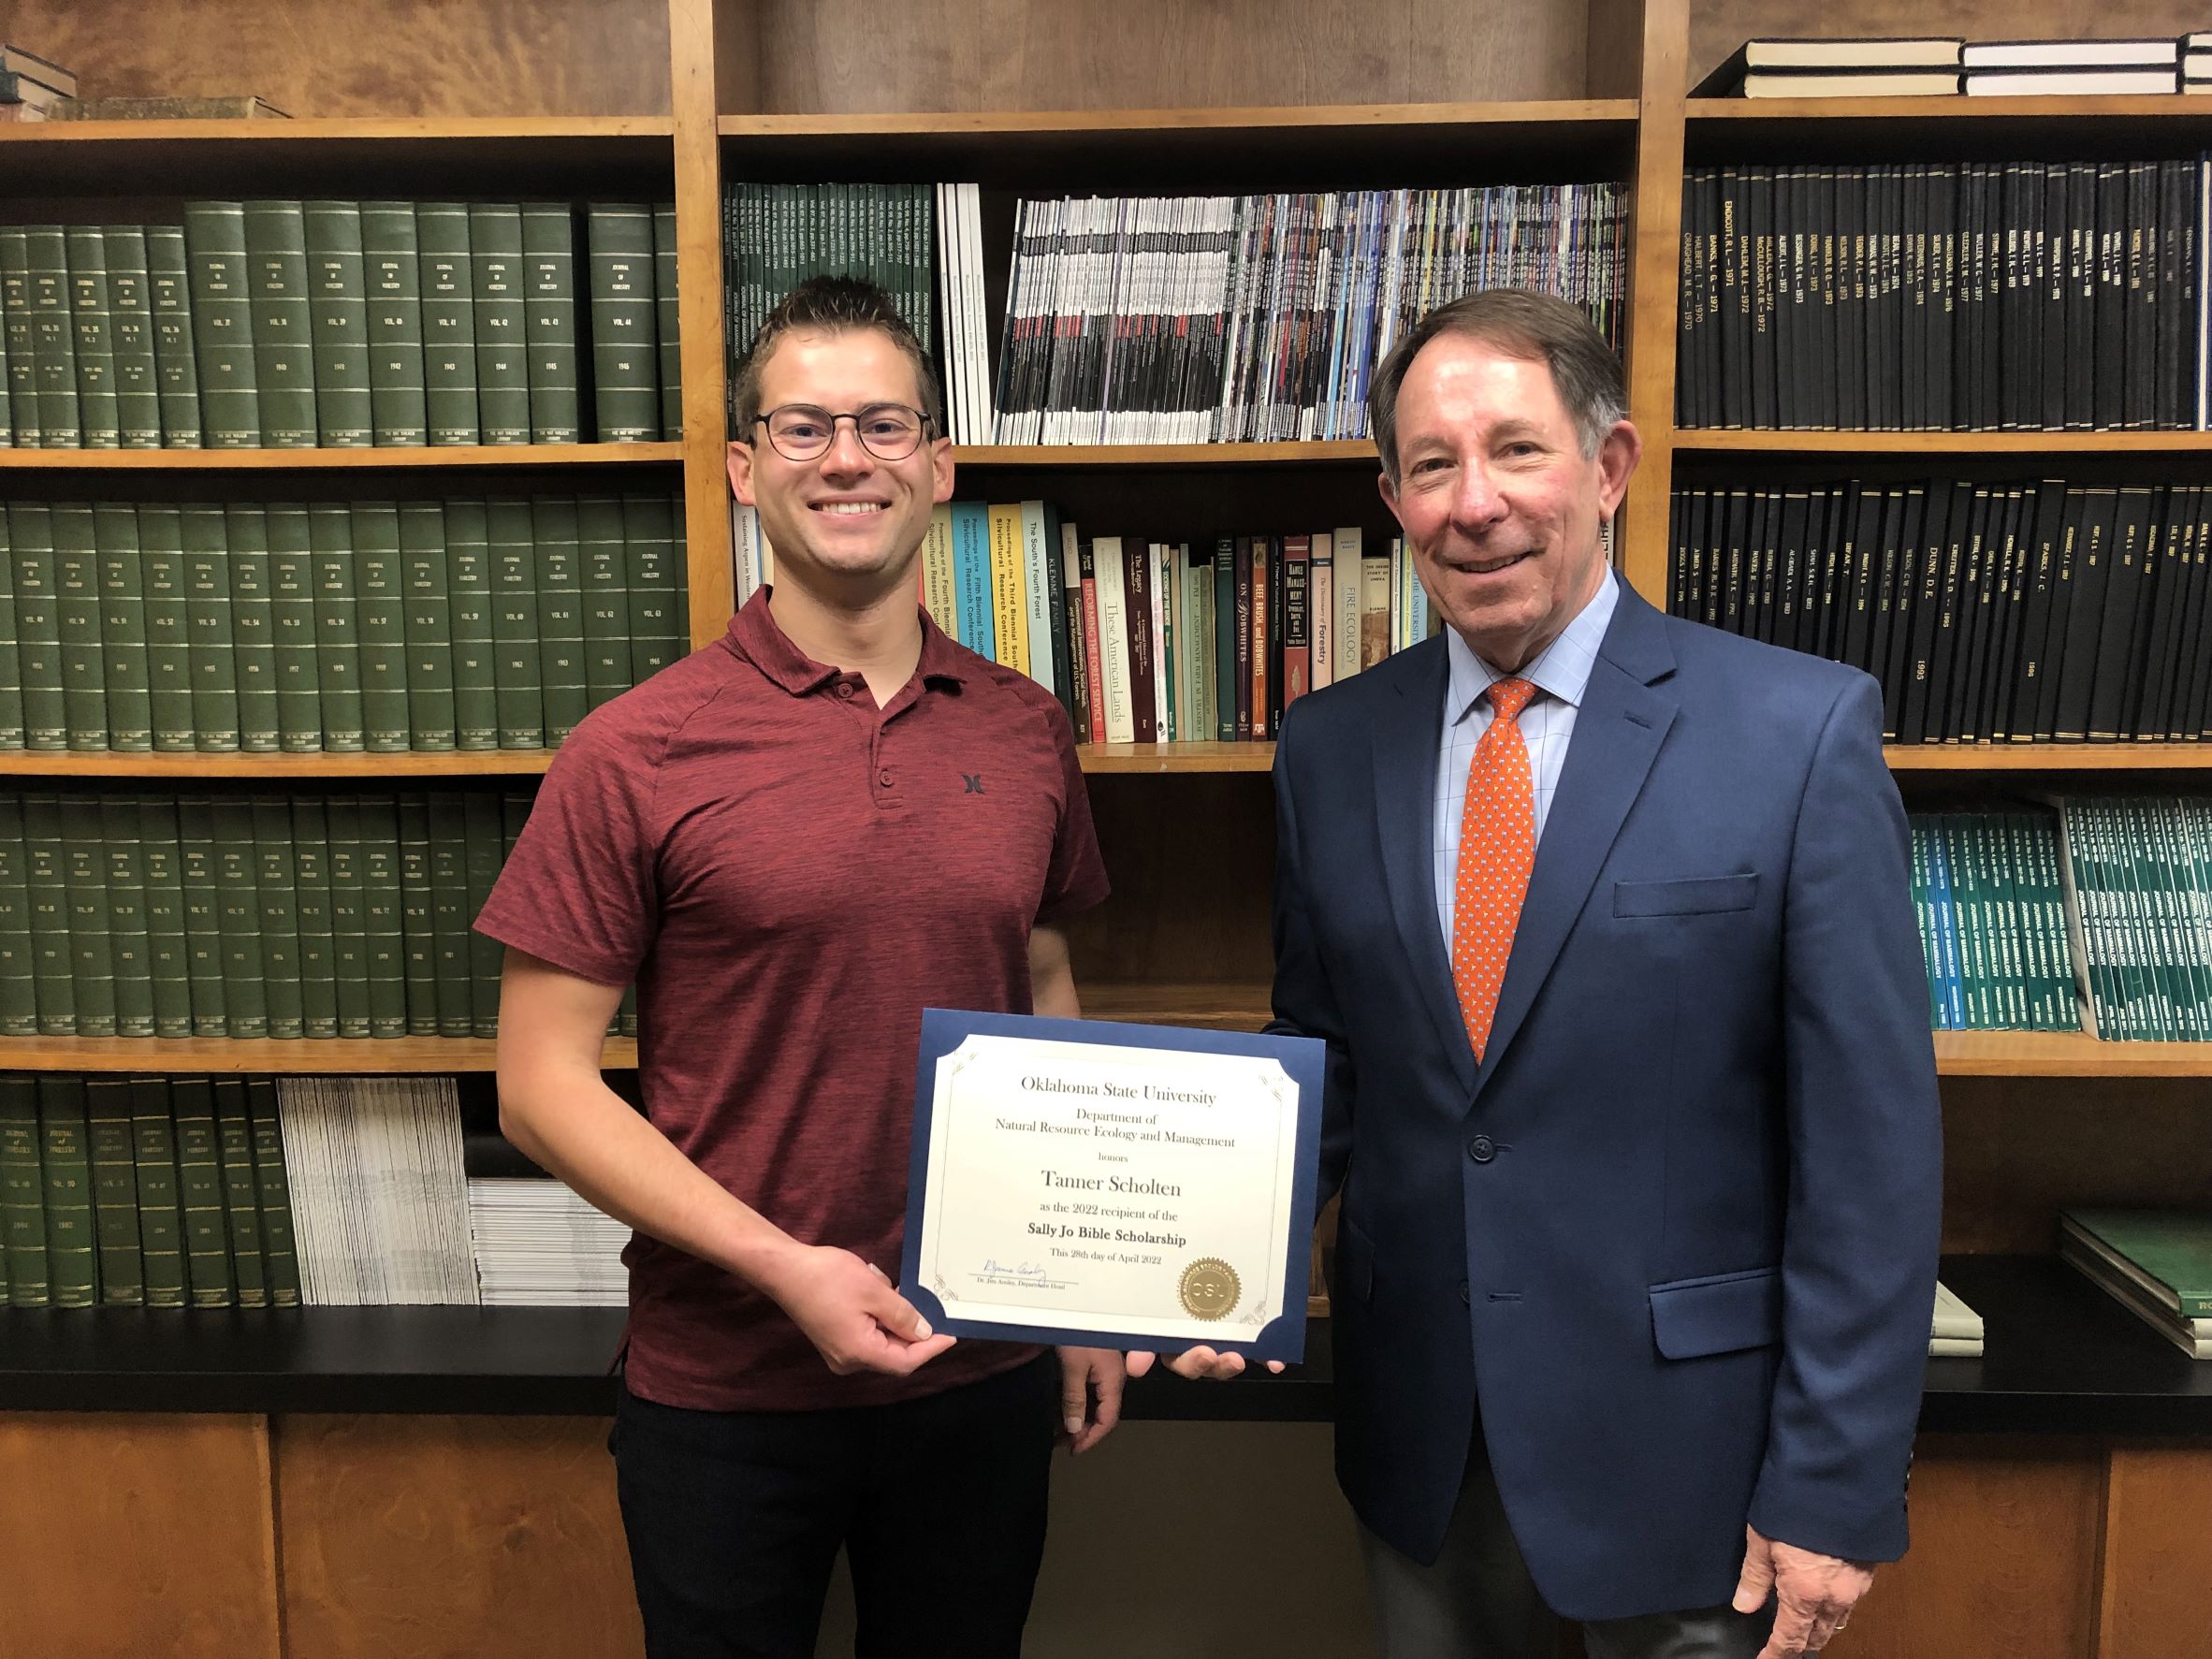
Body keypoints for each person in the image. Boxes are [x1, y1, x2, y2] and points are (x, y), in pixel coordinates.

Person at [1266, 288, 1942, 1659]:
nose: (1476, 503)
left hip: (1696, 1480)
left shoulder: (1796, 732)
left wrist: (1836, 1482)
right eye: (1433, 465)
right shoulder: (1331, 747)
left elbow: (1872, 1153)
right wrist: (1210, 1264)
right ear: (1392, 497)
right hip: (1425, 1462)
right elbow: (1326, 1064)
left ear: (1610, 465)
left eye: (1517, 450)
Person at [476, 275, 1119, 1659]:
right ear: (743, 467)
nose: (846, 458)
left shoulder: (1025, 729)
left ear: (939, 465)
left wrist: (1076, 1294)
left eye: (885, 425)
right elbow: (536, 1085)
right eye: (806, 425)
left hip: (979, 1374)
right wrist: (784, 1266)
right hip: (725, 1392)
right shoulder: (634, 749)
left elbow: (1044, 980)